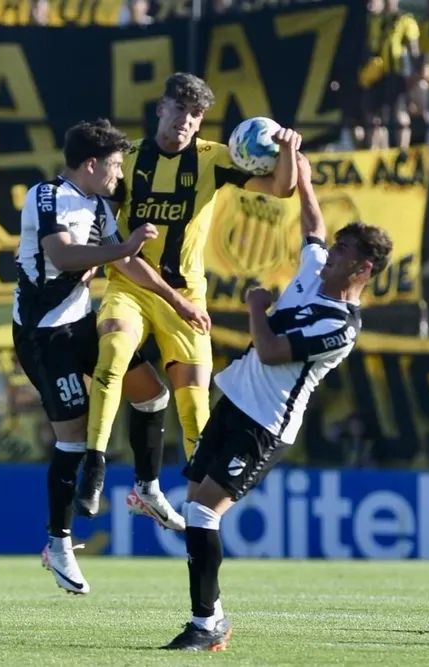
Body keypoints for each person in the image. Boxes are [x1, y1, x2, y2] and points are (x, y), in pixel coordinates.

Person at [163, 152, 393, 650]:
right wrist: (304, 178)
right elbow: (313, 225)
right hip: (236, 402)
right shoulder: (315, 268)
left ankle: (207, 625)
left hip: (263, 424)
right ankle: (210, 619)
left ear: (364, 268)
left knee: (203, 514)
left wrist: (255, 307)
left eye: (344, 250)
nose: (331, 252)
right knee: (194, 509)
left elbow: (270, 352)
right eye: (336, 245)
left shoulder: (341, 328)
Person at [74, 73, 300, 530]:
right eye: (179, 109)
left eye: (195, 115)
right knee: (114, 350)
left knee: (195, 408)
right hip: (132, 284)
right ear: (161, 109)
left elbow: (282, 188)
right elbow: (93, 208)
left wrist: (289, 147)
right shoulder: (130, 160)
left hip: (187, 294)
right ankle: (94, 467)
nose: (186, 121)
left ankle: (199, 516)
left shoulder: (213, 159)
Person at [13, 119, 209, 595]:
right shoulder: (45, 196)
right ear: (93, 164)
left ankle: (146, 488)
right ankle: (57, 543)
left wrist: (176, 300)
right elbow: (62, 256)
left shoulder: (99, 204)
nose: (120, 175)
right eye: (117, 166)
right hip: (43, 336)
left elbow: (123, 260)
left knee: (151, 395)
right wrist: (123, 245)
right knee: (73, 439)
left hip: (78, 323)